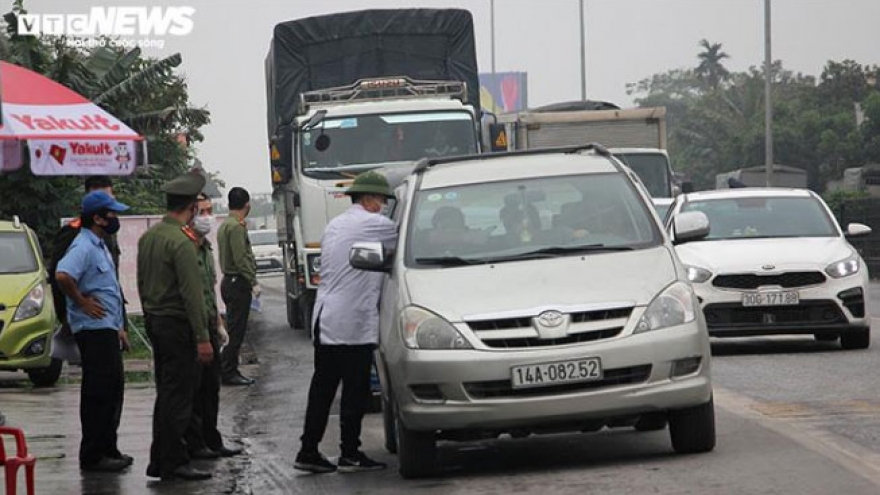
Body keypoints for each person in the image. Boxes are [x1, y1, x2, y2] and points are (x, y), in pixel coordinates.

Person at [295, 171, 397, 474]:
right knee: (355, 389)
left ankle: (309, 449)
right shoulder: (376, 224)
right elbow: (409, 241)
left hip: (327, 317)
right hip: (350, 321)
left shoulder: (335, 225)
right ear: (368, 198)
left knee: (323, 390)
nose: (381, 205)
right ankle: (350, 453)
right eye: (380, 199)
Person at [137, 172, 214, 482]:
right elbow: (192, 295)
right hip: (179, 325)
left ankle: (160, 459)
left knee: (166, 393)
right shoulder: (183, 243)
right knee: (180, 396)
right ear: (191, 208)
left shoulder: (149, 237)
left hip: (156, 321)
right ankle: (173, 461)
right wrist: (203, 337)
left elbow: (141, 284)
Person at [55, 190, 132, 473]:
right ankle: (93, 455)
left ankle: (108, 449)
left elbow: (109, 290)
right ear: (97, 218)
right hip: (92, 330)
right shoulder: (83, 246)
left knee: (111, 390)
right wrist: (82, 302)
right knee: (98, 393)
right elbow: (63, 275)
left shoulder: (99, 244)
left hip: (106, 328)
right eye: (110, 214)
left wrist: (119, 327)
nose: (115, 218)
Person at [184, 192, 242, 460]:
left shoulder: (205, 246)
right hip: (193, 327)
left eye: (210, 210)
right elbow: (191, 293)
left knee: (211, 388)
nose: (207, 217)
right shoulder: (186, 246)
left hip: (209, 321)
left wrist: (219, 321)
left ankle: (212, 439)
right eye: (202, 211)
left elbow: (208, 289)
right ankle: (196, 444)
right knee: (194, 390)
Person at [49, 176, 126, 363]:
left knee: (111, 383)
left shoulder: (104, 237)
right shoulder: (76, 236)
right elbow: (60, 276)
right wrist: (77, 307)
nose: (113, 212)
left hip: (108, 322)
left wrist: (120, 324)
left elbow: (112, 282)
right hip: (90, 324)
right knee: (98, 382)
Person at [217, 187, 258, 386]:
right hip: (237, 282)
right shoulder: (236, 227)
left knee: (235, 327)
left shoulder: (226, 224)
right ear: (247, 205)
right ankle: (228, 371)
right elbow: (241, 258)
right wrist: (253, 280)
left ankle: (227, 369)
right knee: (237, 331)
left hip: (229, 281)